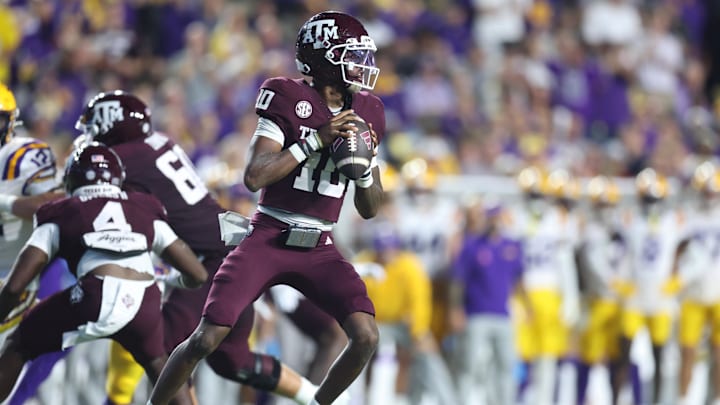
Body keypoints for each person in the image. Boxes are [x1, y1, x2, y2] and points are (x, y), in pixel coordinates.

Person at [148, 10, 385, 405]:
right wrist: (315, 141)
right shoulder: (290, 96)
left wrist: (362, 170)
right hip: (269, 236)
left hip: (320, 246)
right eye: (350, 55)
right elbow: (255, 176)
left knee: (366, 336)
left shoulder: (369, 110)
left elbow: (370, 207)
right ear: (324, 58)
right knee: (206, 337)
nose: (361, 66)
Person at [72, 91, 327, 405]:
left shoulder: (124, 161)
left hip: (212, 258)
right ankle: (319, 398)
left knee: (164, 350)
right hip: (230, 245)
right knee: (233, 360)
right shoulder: (158, 144)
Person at [0, 142, 208, 404]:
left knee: (20, 343)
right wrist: (171, 278)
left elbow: (15, 286)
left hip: (94, 293)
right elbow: (197, 274)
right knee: (161, 367)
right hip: (145, 299)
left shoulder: (60, 210)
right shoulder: (144, 206)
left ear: (71, 178)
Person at [0, 82, 68, 405]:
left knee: (48, 339)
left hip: (21, 274)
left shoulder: (23, 156)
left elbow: (53, 204)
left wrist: (2, 202)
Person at [356, 225, 459, 405]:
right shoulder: (365, 263)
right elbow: (355, 297)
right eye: (382, 249)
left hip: (402, 324)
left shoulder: (409, 266)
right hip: (374, 322)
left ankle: (447, 400)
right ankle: (359, 398)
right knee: (359, 345)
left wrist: (419, 331)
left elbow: (420, 301)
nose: (387, 253)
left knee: (427, 350)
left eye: (390, 248)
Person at [506, 165, 580, 405]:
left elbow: (565, 261)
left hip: (550, 293)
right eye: (531, 194)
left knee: (547, 358)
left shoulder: (559, 220)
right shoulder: (513, 218)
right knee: (519, 357)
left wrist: (571, 297)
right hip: (522, 294)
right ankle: (515, 400)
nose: (535, 200)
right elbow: (508, 263)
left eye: (538, 194)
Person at [449, 199, 524, 405]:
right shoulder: (472, 245)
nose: (494, 221)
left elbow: (518, 279)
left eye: (496, 216)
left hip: (503, 314)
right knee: (469, 365)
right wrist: (456, 309)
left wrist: (527, 306)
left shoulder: (512, 245)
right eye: (490, 217)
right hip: (476, 313)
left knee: (506, 366)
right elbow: (458, 280)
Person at [575, 176, 631, 405]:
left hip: (620, 303)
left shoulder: (621, 230)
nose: (606, 209)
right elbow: (592, 264)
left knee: (621, 357)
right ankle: (584, 399)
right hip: (596, 299)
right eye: (602, 204)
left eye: (608, 204)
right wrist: (615, 282)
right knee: (590, 357)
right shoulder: (589, 231)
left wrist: (624, 284)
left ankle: (618, 399)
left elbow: (630, 260)